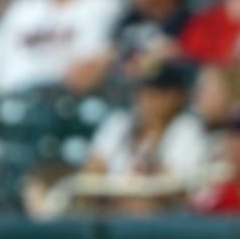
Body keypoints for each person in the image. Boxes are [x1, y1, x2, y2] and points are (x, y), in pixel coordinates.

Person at [79, 62, 209, 205]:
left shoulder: (187, 128)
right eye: (143, 92)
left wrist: (152, 147)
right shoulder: (119, 122)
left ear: (176, 96)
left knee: (142, 203)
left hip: (161, 215)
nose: (147, 99)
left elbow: (174, 189)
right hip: (110, 206)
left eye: (156, 93)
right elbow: (91, 171)